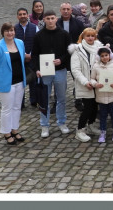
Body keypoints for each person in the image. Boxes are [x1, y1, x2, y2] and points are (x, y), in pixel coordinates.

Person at [31, 10, 72, 138]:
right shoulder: (39, 36)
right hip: (45, 72)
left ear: (56, 19)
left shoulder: (64, 34)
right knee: (44, 99)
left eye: (52, 18)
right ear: (44, 20)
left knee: (61, 98)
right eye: (47, 18)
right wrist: (37, 69)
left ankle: (62, 122)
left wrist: (61, 60)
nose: (50, 21)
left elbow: (69, 52)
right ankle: (44, 125)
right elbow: (34, 55)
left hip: (60, 70)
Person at [0, 23, 27, 145]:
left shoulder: (19, 43)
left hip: (19, 81)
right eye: (7, 31)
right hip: (5, 83)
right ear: (3, 32)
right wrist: (1, 74)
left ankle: (14, 129)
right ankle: (6, 133)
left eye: (11, 30)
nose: (10, 33)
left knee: (16, 107)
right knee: (7, 108)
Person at [69, 28, 104, 142]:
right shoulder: (77, 50)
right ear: (83, 37)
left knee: (95, 107)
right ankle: (80, 130)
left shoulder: (99, 48)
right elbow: (75, 70)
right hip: (85, 84)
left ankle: (91, 125)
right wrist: (85, 82)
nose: (90, 38)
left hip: (96, 83)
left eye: (92, 36)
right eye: (88, 36)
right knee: (87, 108)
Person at [91, 47, 113, 143]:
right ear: (99, 57)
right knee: (103, 115)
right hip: (101, 95)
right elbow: (92, 78)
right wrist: (95, 84)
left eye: (106, 55)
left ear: (110, 55)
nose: (104, 58)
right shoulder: (96, 66)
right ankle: (103, 132)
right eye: (102, 56)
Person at [57, 2, 86, 112]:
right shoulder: (56, 23)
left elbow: (82, 39)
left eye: (68, 9)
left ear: (71, 11)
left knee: (77, 78)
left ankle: (78, 100)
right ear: (60, 10)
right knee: (59, 79)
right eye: (63, 9)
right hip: (60, 55)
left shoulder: (78, 23)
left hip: (75, 54)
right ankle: (57, 100)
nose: (65, 11)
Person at [14, 7, 38, 108]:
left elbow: (37, 43)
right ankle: (20, 102)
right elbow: (12, 44)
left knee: (33, 79)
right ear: (17, 16)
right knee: (19, 81)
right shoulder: (14, 28)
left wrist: (30, 55)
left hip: (32, 57)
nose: (22, 16)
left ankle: (34, 100)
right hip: (18, 59)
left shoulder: (34, 27)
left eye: (24, 14)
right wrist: (22, 55)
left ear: (28, 15)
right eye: (20, 14)